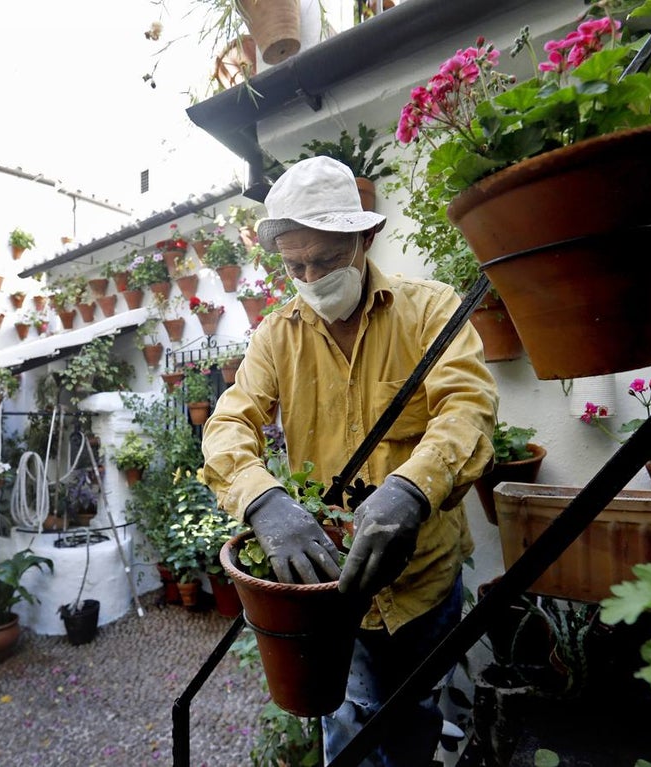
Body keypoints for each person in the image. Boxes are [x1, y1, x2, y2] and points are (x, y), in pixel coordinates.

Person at [201, 156, 498, 765]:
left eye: (326, 259)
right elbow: (230, 422)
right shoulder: (275, 336)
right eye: (295, 265)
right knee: (347, 728)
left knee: (416, 720)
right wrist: (264, 501)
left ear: (364, 238)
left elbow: (467, 407)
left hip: (423, 579)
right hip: (334, 589)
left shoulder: (431, 310)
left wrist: (412, 490)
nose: (310, 277)